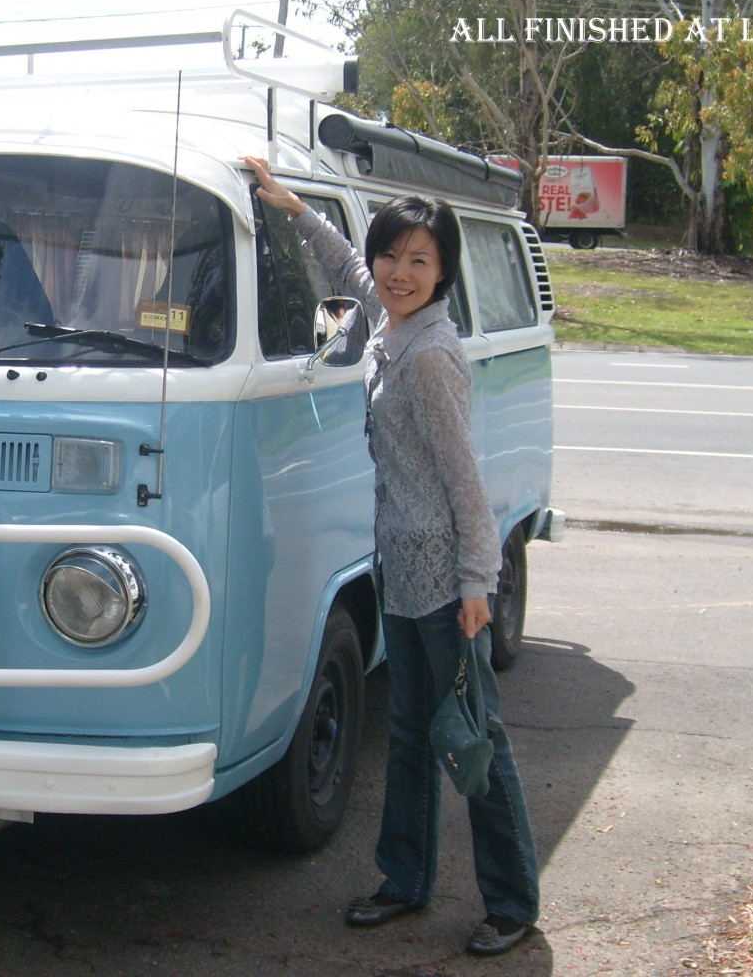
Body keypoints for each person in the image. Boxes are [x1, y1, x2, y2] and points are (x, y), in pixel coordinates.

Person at [243, 156, 541, 958]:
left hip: (444, 584)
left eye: (419, 261)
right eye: (392, 256)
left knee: (473, 737)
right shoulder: (390, 322)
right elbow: (346, 266)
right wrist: (292, 207)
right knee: (409, 734)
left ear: (443, 272)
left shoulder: (432, 355)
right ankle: (404, 881)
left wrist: (478, 583)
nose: (398, 273)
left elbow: (464, 479)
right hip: (402, 574)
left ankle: (512, 902)